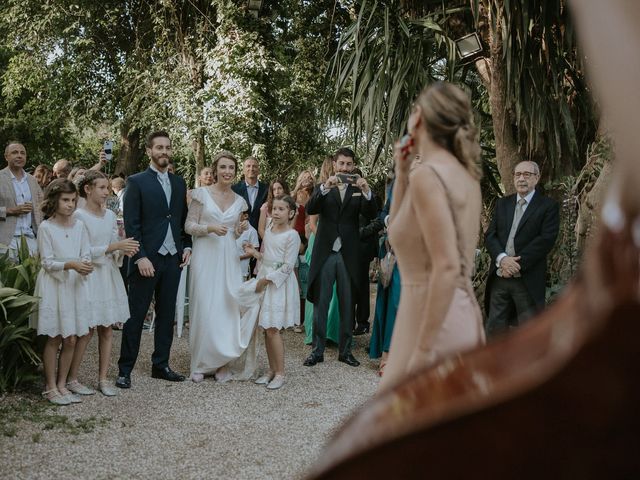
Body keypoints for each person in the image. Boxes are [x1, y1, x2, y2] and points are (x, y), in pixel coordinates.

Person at [379, 81, 486, 390]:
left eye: (415, 109)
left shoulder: (429, 176)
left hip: (432, 320)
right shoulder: (466, 175)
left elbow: (448, 266)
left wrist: (424, 352)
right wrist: (401, 175)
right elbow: (397, 232)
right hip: (454, 311)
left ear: (420, 118)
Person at [116, 131, 192, 389]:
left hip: (172, 260)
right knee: (135, 315)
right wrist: (139, 257)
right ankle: (124, 369)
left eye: (167, 147)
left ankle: (160, 365)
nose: (164, 151)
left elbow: (182, 220)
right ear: (149, 151)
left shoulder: (179, 182)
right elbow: (131, 224)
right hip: (146, 259)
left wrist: (187, 245)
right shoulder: (136, 182)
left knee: (167, 314)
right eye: (159, 147)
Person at [185, 151, 258, 383]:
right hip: (205, 254)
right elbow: (189, 225)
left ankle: (222, 362)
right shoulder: (201, 194)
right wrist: (209, 229)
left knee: (227, 306)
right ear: (215, 170)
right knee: (204, 305)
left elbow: (235, 232)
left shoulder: (239, 201)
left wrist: (239, 231)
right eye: (223, 167)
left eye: (231, 168)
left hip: (228, 256)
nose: (227, 172)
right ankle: (200, 362)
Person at [66, 171, 139, 397]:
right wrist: (114, 248)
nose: (107, 192)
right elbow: (82, 251)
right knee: (86, 331)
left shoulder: (109, 216)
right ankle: (72, 378)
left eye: (108, 188)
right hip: (88, 277)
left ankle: (103, 379)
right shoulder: (78, 216)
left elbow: (112, 243)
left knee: (107, 329)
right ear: (87, 189)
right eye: (102, 188)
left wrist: (123, 249)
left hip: (107, 275)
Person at [304, 147, 377, 368]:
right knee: (321, 302)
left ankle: (345, 351)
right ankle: (317, 351)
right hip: (326, 252)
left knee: (347, 303)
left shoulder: (359, 189)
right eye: (341, 164)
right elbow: (311, 207)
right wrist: (326, 187)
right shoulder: (322, 187)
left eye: (349, 164)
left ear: (353, 166)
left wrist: (366, 191)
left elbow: (372, 213)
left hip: (348, 254)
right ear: (334, 164)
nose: (345, 168)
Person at [29, 179, 94, 405]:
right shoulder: (46, 227)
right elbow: (47, 263)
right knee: (55, 336)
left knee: (72, 339)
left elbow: (85, 252)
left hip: (75, 285)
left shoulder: (79, 226)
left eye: (73, 200)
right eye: (65, 200)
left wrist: (85, 265)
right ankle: (50, 386)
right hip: (55, 286)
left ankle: (63, 382)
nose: (70, 204)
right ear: (54, 200)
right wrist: (71, 265)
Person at [484, 161, 560, 338]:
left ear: (537, 178)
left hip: (527, 279)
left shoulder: (547, 206)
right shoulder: (503, 204)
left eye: (527, 174)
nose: (521, 178)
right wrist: (503, 259)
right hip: (500, 276)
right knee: (495, 327)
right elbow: (490, 235)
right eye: (517, 174)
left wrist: (517, 263)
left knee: (529, 330)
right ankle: (494, 365)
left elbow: (546, 239)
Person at [245, 195, 301, 390]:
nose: (276, 212)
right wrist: (255, 254)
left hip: (278, 284)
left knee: (273, 329)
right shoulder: (269, 228)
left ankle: (280, 373)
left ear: (291, 213)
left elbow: (287, 266)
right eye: (274, 208)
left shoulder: (292, 235)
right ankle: (270, 369)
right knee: (266, 328)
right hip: (265, 276)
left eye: (281, 209)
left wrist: (265, 280)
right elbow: (268, 257)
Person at [304, 157, 341, 345]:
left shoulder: (343, 191)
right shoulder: (321, 189)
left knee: (334, 290)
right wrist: (326, 241)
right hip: (319, 243)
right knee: (318, 288)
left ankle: (330, 333)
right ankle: (313, 332)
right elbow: (312, 223)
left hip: (334, 245)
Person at [369, 178, 401, 376]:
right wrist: (391, 221)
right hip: (395, 252)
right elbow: (384, 213)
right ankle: (387, 355)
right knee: (394, 302)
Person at [0, 142, 44, 257]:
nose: (19, 156)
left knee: (32, 274)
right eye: (14, 152)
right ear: (6, 157)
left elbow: (42, 207)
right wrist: (11, 211)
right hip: (6, 241)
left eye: (22, 153)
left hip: (31, 239)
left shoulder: (32, 180)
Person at [232, 156, 268, 233]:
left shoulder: (266, 190)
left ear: (258, 170)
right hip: (239, 235)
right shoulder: (234, 189)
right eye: (248, 166)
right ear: (243, 170)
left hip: (260, 236)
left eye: (254, 166)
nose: (251, 169)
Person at [237, 208, 259, 280]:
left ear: (245, 216)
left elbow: (254, 251)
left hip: (242, 269)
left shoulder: (252, 231)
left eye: (238, 213)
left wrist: (239, 257)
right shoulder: (231, 228)